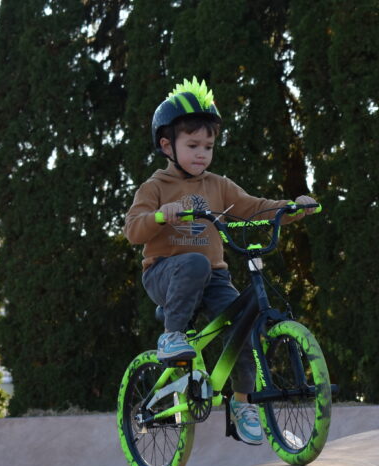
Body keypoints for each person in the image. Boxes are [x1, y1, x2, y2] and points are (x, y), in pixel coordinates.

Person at [124, 77, 317, 446]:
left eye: (208, 146)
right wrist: (162, 216)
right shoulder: (155, 187)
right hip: (165, 273)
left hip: (213, 277)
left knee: (244, 327)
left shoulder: (219, 186)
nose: (202, 153)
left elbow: (255, 208)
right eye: (192, 145)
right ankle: (171, 336)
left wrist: (293, 208)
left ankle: (243, 403)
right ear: (167, 145)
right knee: (195, 261)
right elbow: (133, 230)